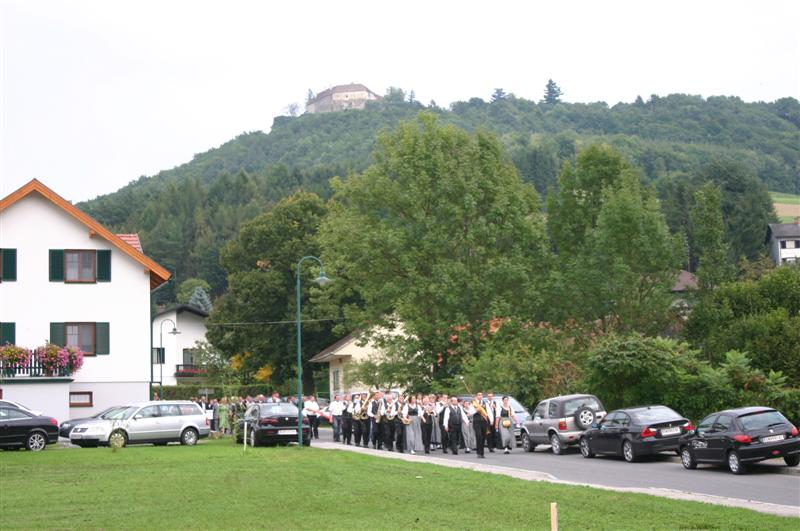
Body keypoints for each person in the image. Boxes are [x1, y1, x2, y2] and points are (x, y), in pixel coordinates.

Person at [471, 392, 489, 458]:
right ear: (476, 396)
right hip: (477, 422)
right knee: (479, 437)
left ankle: (482, 453)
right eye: (478, 395)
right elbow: (471, 412)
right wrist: (476, 410)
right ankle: (478, 452)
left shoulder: (484, 403)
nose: (480, 396)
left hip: (484, 422)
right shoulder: (474, 403)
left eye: (481, 395)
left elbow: (488, 412)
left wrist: (491, 420)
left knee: (483, 437)